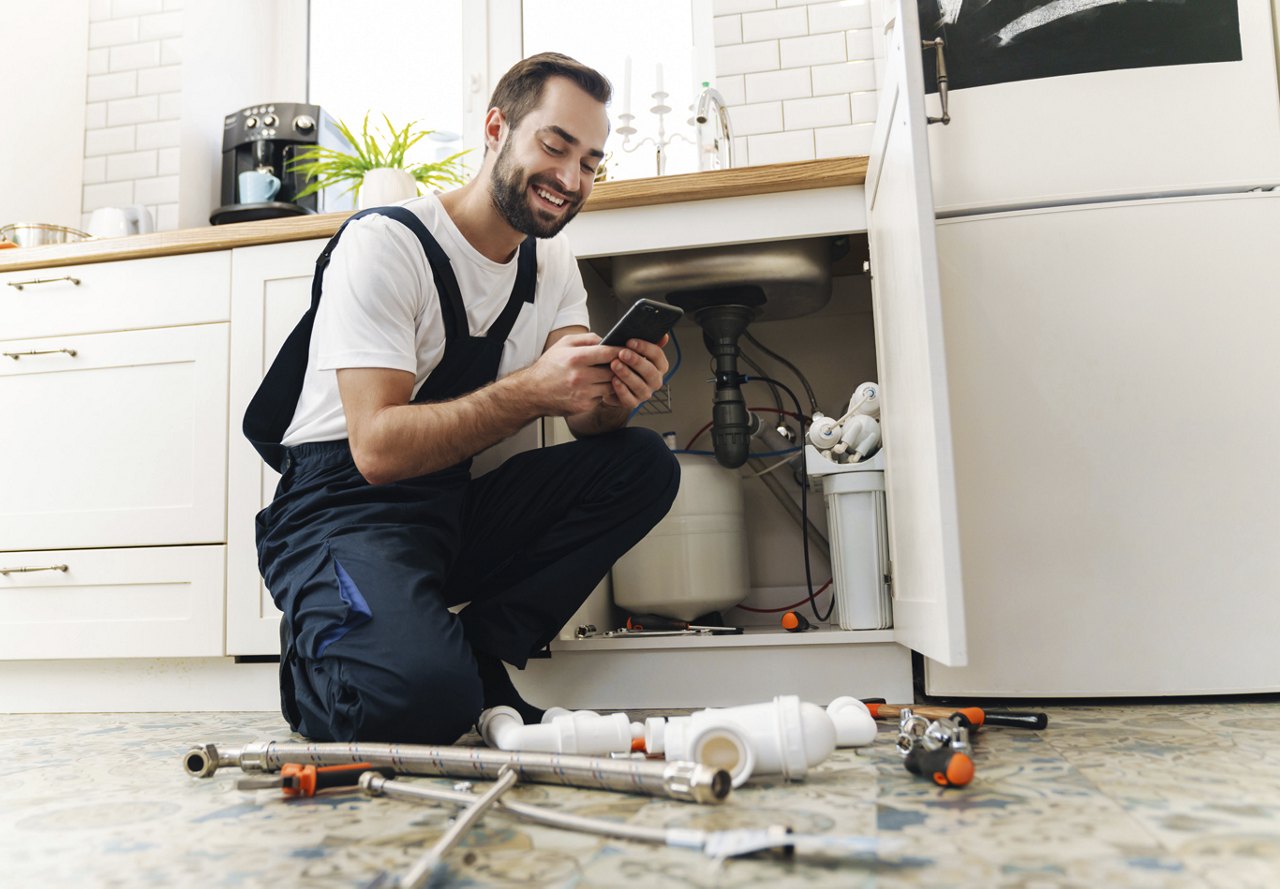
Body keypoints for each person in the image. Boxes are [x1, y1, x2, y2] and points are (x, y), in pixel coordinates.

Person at [244, 52, 680, 745]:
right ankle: (321, 656)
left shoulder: (550, 261)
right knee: (418, 704)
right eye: (555, 145)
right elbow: (378, 448)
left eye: (591, 163)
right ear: (496, 128)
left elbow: (587, 418)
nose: (570, 180)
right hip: (338, 512)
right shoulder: (387, 244)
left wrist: (618, 395)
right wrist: (531, 390)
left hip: (446, 508)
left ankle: (477, 651)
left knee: (643, 462)